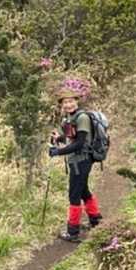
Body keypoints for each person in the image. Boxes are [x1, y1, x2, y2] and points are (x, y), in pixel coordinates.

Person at [49, 90, 102, 241]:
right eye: (65, 102)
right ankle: (96, 220)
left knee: (74, 195)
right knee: (83, 190)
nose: (68, 104)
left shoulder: (82, 117)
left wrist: (58, 152)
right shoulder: (70, 118)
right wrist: (59, 138)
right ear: (61, 105)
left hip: (82, 160)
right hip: (76, 161)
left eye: (71, 101)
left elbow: (79, 143)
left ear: (76, 101)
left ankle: (72, 232)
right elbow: (71, 137)